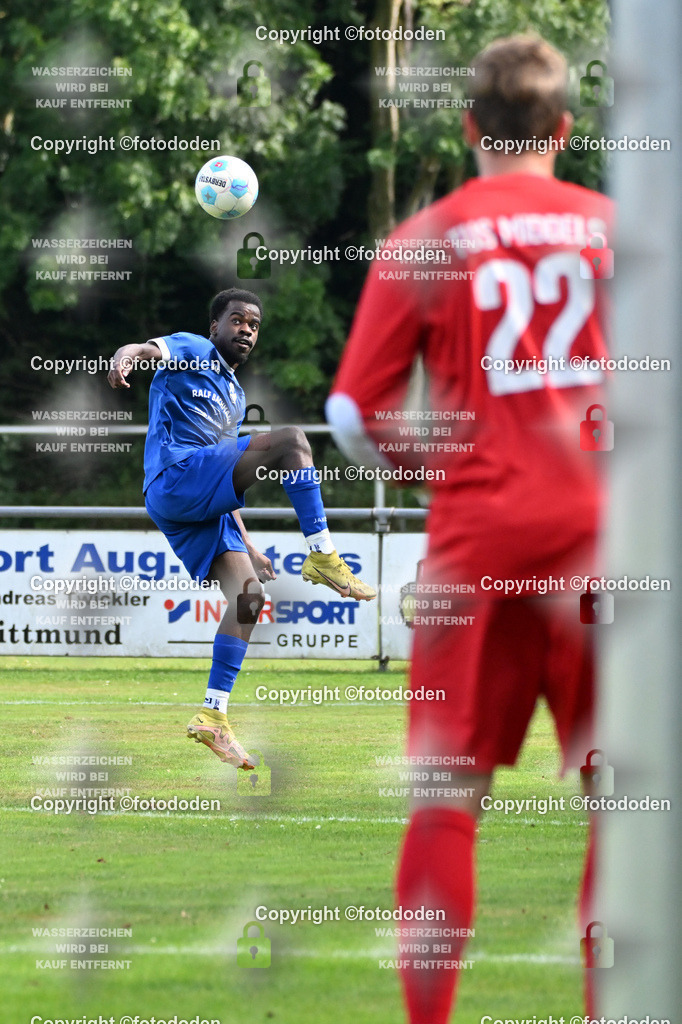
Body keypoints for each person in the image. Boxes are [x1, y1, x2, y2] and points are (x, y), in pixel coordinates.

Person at [326, 35, 612, 1021]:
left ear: (465, 130)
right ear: (565, 132)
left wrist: (448, 471)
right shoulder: (623, 230)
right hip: (605, 549)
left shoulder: (424, 240)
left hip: (477, 548)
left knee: (446, 800)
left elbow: (354, 416)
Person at [107, 287, 375, 769]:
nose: (245, 330)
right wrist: (125, 356)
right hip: (175, 476)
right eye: (236, 320)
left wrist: (248, 544)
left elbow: (224, 472)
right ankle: (324, 556)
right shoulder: (194, 349)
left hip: (200, 495)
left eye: (253, 325)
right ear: (216, 326)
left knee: (249, 597)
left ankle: (213, 716)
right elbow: (148, 350)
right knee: (292, 440)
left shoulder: (234, 395)